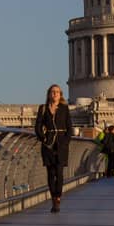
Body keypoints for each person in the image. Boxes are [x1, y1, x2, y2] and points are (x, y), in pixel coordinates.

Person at [34, 84, 72, 214]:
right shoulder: (43, 108)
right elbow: (37, 126)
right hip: (48, 144)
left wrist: (66, 142)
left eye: (57, 92)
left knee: (59, 173)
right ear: (49, 94)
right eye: (52, 92)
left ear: (60, 95)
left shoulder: (65, 108)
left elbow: (70, 128)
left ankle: (58, 196)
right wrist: (43, 139)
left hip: (61, 144)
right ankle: (53, 199)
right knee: (51, 173)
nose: (55, 94)